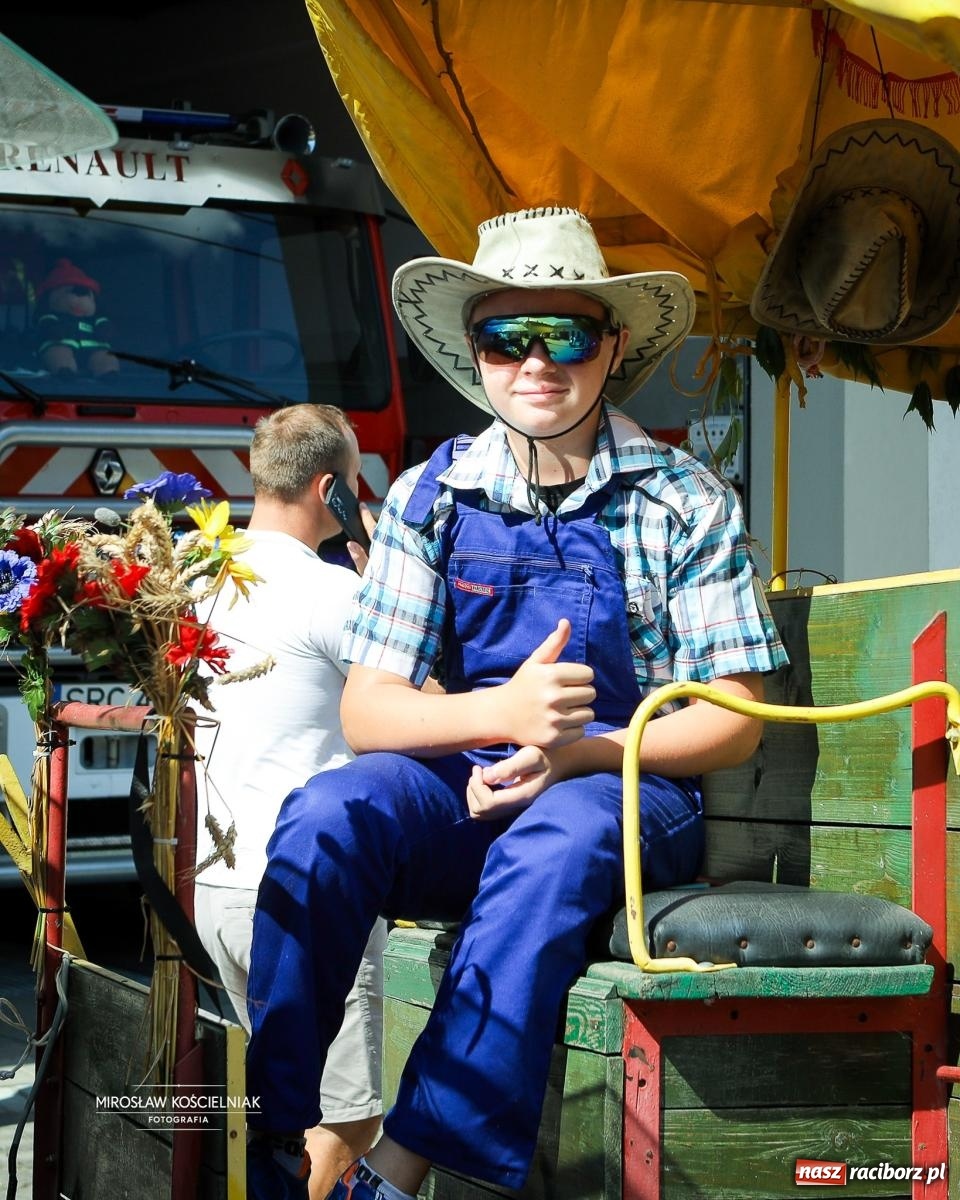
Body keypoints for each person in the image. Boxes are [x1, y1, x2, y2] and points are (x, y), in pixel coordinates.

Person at [245, 207, 788, 1200]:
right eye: (507, 338)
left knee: (560, 837)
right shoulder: (429, 496)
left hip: (629, 787)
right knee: (326, 814)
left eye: (567, 335)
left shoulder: (684, 499)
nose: (537, 364)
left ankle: (397, 1171)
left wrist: (578, 751)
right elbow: (371, 712)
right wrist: (508, 717)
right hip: (475, 778)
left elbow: (735, 716)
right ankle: (279, 1144)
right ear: (477, 355)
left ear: (613, 347)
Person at [192, 403, 385, 1200]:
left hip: (210, 889)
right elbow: (416, 704)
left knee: (267, 1111)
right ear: (331, 488)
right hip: (306, 895)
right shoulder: (334, 591)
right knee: (343, 1118)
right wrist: (379, 568)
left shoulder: (198, 575)